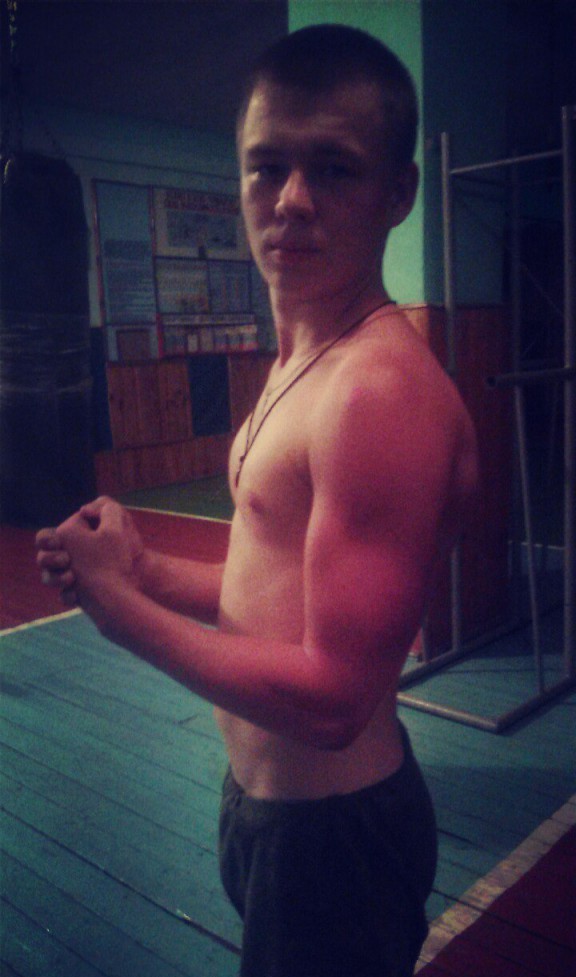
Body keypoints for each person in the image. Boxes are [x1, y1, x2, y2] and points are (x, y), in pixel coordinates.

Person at [36, 24, 478, 977]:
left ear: (399, 193)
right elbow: (268, 587)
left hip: (333, 840)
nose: (292, 200)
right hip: (270, 813)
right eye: (266, 166)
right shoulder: (299, 363)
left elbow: (334, 701)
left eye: (334, 168)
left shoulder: (375, 392)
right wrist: (145, 570)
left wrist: (119, 611)